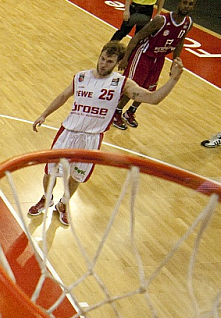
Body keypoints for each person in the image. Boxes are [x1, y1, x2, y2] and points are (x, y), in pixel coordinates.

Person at [29, 41, 184, 226]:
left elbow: (153, 98)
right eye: (102, 59)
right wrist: (44, 114)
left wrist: (173, 80)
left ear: (117, 63)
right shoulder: (81, 77)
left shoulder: (122, 83)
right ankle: (46, 198)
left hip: (92, 139)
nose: (103, 64)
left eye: (109, 61)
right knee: (50, 172)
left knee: (77, 176)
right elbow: (63, 96)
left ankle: (63, 204)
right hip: (68, 132)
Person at [112, 0, 195, 130]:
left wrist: (175, 61)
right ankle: (116, 112)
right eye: (185, 3)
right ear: (178, 3)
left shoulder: (188, 23)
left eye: (190, 4)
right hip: (143, 55)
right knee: (133, 86)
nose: (186, 6)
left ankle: (131, 112)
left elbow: (180, 42)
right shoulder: (161, 20)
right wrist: (126, 58)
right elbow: (137, 37)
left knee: (148, 88)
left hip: (159, 58)